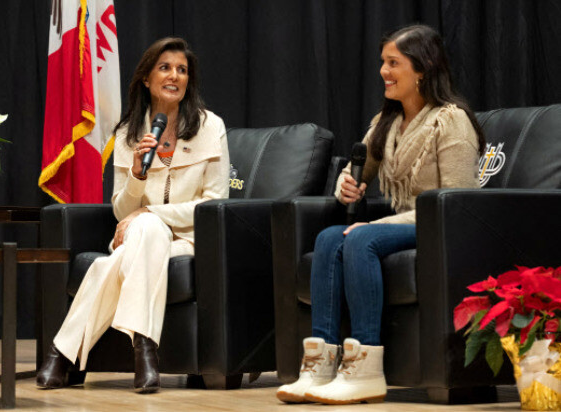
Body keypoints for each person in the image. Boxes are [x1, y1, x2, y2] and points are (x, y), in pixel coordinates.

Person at [277, 24, 484, 405]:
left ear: (422, 69)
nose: (383, 72)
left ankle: (366, 368)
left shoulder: (450, 121)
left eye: (394, 63)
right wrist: (346, 185)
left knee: (358, 236)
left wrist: (379, 223)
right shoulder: (386, 123)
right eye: (382, 62)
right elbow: (356, 171)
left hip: (438, 225)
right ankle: (321, 362)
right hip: (403, 224)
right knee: (327, 238)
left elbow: (458, 201)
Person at [37, 37, 230, 394]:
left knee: (122, 253)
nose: (174, 76)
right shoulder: (129, 132)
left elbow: (214, 203)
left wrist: (150, 211)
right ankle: (145, 352)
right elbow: (122, 210)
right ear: (146, 78)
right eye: (165, 67)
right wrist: (139, 176)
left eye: (182, 70)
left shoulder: (210, 126)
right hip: (142, 234)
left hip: (189, 240)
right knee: (147, 232)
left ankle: (60, 353)